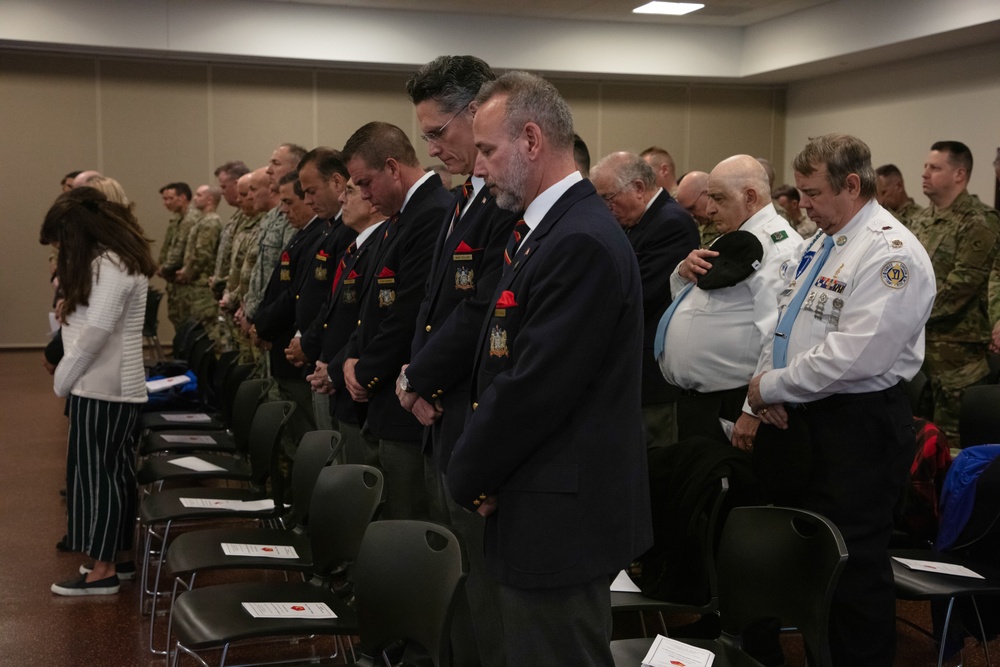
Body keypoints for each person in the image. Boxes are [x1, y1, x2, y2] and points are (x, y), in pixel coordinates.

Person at [446, 71, 652, 667]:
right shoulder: (546, 231)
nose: (477, 168)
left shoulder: (578, 240)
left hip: (560, 510)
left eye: (487, 150)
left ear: (532, 140)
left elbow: (534, 389)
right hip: (536, 493)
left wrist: (469, 475)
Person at [747, 133, 936, 667]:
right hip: (808, 417)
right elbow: (784, 323)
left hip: (859, 428)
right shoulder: (823, 240)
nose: (801, 205)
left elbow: (857, 357)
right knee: (815, 570)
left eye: (811, 193)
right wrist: (769, 388)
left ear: (851, 184)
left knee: (851, 575)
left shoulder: (890, 253)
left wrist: (773, 387)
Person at [396, 53, 519, 667]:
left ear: (476, 114)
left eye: (439, 133)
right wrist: (415, 378)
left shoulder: (502, 206)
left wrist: (416, 375)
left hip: (469, 413)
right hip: (442, 410)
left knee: (486, 598)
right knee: (461, 586)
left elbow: (478, 313)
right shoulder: (465, 197)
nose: (433, 147)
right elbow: (434, 307)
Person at [41, 187, 157, 595]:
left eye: (60, 241)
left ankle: (102, 569)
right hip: (109, 387)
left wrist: (62, 380)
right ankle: (119, 558)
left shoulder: (112, 263)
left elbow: (96, 334)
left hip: (103, 389)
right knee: (116, 475)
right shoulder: (115, 259)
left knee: (100, 479)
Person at [342, 121, 451, 520]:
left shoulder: (432, 213)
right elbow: (372, 307)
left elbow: (408, 315)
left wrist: (364, 371)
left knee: (407, 531)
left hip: (403, 402)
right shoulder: (401, 217)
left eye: (366, 183)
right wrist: (352, 359)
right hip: (384, 399)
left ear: (392, 167)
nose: (365, 196)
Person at [655, 155, 801, 447]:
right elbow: (698, 304)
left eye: (718, 199)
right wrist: (683, 273)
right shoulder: (736, 234)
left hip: (733, 403)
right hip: (700, 402)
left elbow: (777, 335)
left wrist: (753, 409)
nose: (709, 209)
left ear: (749, 197)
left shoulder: (777, 248)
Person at [590, 151, 699, 449]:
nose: (605, 207)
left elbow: (640, 291)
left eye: (608, 197)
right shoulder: (638, 222)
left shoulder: (672, 223)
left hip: (652, 376)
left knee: (654, 465)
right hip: (631, 372)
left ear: (638, 188)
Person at [910, 141, 1000, 445]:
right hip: (919, 360)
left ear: (959, 174)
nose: (924, 173)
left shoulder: (980, 221)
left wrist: (905, 315)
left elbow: (961, 287)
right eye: (925, 166)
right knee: (919, 450)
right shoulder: (921, 220)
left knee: (953, 454)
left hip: (958, 367)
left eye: (935, 168)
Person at [674, 170, 717, 247]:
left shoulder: (729, 222)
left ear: (707, 193)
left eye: (692, 208)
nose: (691, 215)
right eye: (687, 210)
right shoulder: (698, 227)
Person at [875, 163, 924, 227]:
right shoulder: (880, 216)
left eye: (883, 193)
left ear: (899, 186)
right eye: (877, 195)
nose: (880, 201)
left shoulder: (920, 217)